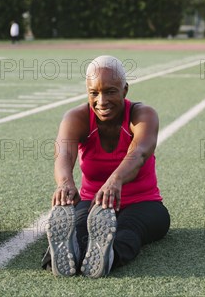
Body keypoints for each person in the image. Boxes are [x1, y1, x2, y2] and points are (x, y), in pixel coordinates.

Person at [43, 55, 170, 278]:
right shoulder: (77, 118)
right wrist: (65, 184)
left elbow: (139, 153)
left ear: (125, 90)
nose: (101, 101)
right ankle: (61, 254)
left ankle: (109, 255)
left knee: (128, 229)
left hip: (143, 202)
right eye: (94, 93)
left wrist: (115, 181)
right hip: (93, 203)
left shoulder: (143, 115)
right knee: (81, 227)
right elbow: (63, 153)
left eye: (110, 91)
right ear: (87, 92)